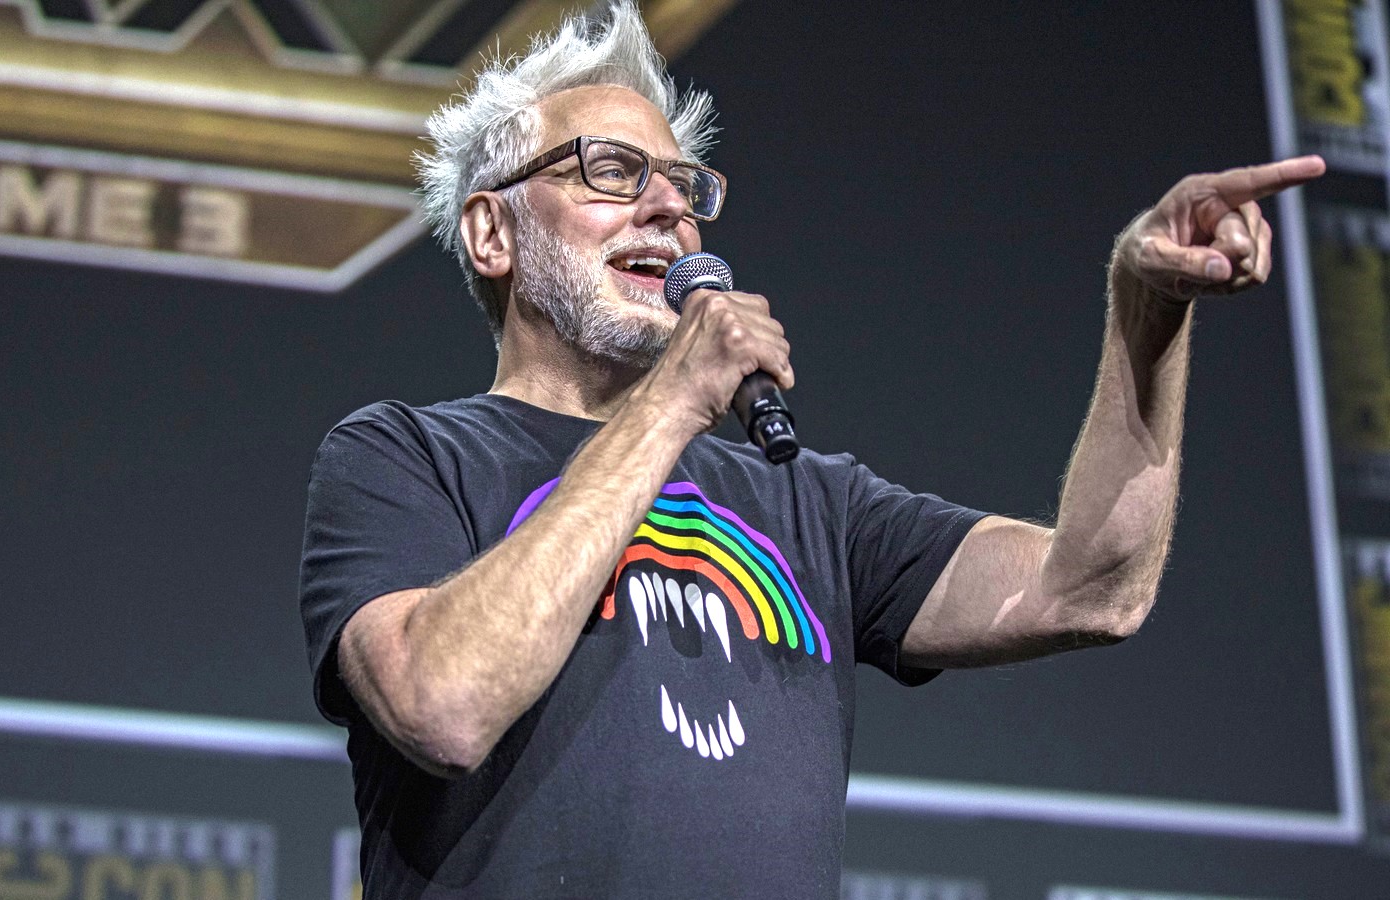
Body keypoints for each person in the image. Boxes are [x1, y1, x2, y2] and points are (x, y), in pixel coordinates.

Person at [297, 4, 1324, 897]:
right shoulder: (403, 457)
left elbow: (1094, 587)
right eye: (611, 171)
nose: (668, 205)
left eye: (684, 185)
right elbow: (443, 704)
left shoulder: (809, 503)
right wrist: (668, 409)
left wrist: (1147, 312)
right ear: (492, 236)